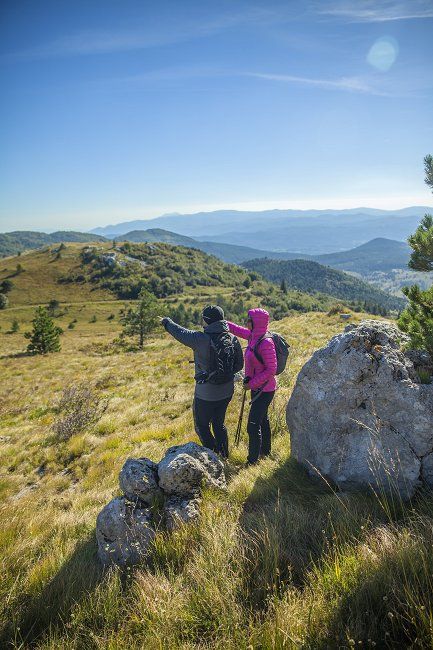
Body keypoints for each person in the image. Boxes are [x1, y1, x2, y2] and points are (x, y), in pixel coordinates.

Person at [161, 305, 243, 458]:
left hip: (205, 395)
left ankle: (212, 457)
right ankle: (224, 456)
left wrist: (167, 322)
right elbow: (239, 365)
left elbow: (180, 332)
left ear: (206, 320)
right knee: (219, 424)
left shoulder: (199, 339)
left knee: (202, 426)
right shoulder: (232, 338)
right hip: (227, 392)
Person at [227, 308, 277, 465]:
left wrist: (251, 383)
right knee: (263, 420)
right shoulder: (253, 336)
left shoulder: (266, 343)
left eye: (249, 320)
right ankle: (265, 452)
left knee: (253, 425)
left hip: (265, 390)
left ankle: (252, 461)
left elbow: (271, 369)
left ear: (256, 322)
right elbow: (237, 330)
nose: (246, 322)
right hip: (256, 388)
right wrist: (222, 322)